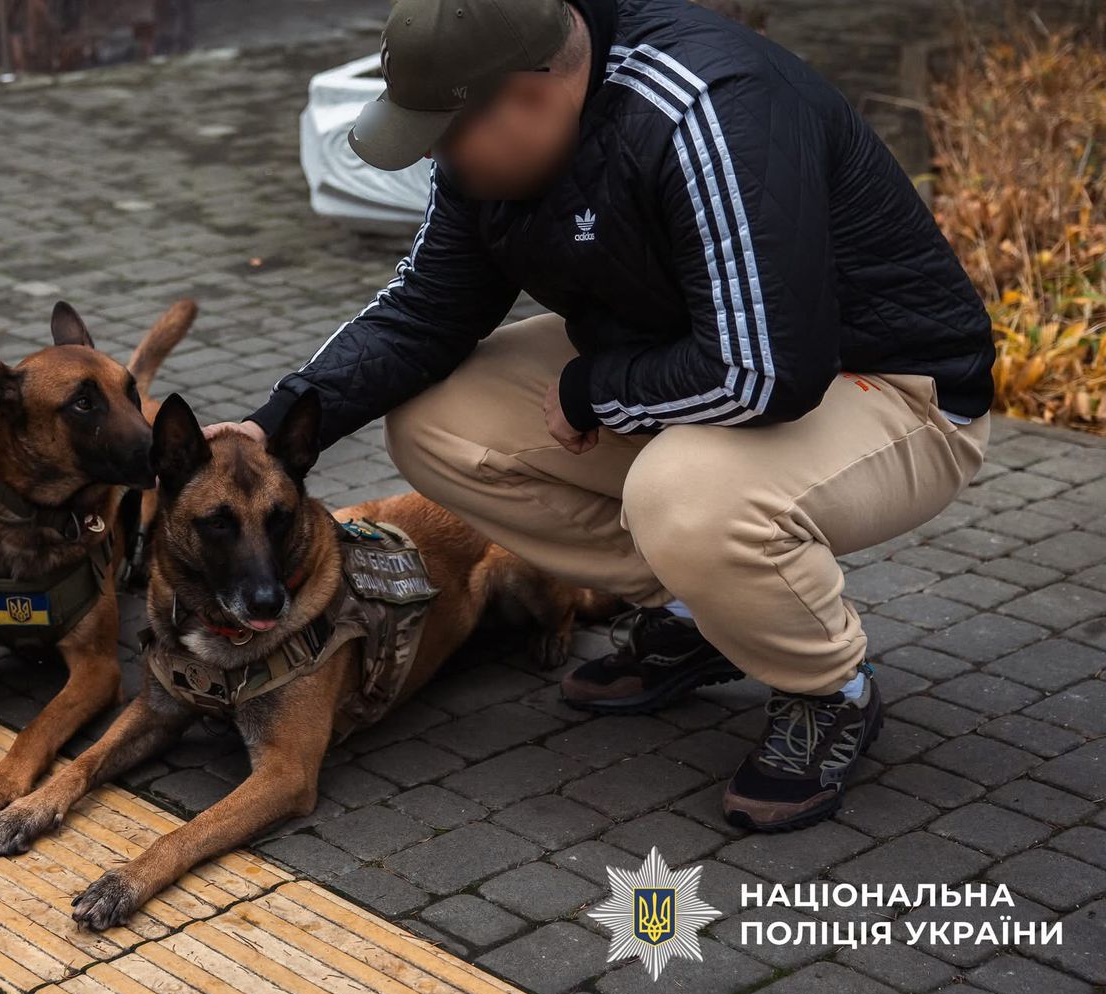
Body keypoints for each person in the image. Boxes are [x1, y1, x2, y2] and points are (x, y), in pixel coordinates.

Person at [209, 0, 995, 831]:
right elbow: (423, 313)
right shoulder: (493, 145)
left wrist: (594, 391)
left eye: (445, 133)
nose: (438, 154)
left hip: (886, 386)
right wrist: (277, 420)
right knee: (436, 422)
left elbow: (766, 370)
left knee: (683, 496)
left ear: (531, 94)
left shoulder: (704, 109)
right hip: (692, 354)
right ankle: (707, 613)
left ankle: (829, 689)